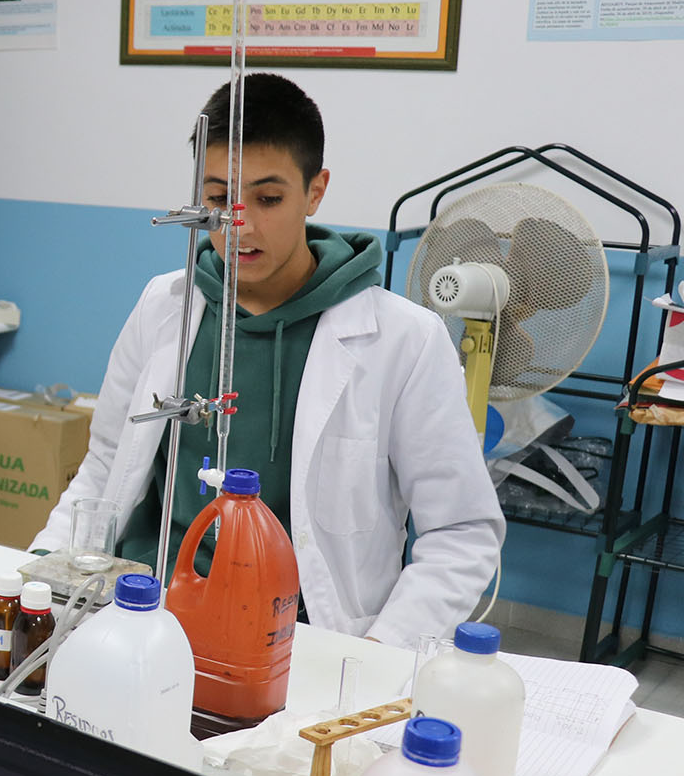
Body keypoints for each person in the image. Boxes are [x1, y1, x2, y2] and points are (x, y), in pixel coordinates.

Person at [32, 73, 501, 650]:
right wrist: (36, 574)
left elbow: (461, 532)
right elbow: (105, 468)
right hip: (144, 613)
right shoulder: (164, 307)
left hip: (299, 642)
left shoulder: (404, 340)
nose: (240, 225)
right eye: (216, 200)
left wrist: (377, 655)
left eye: (268, 198)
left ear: (316, 190)